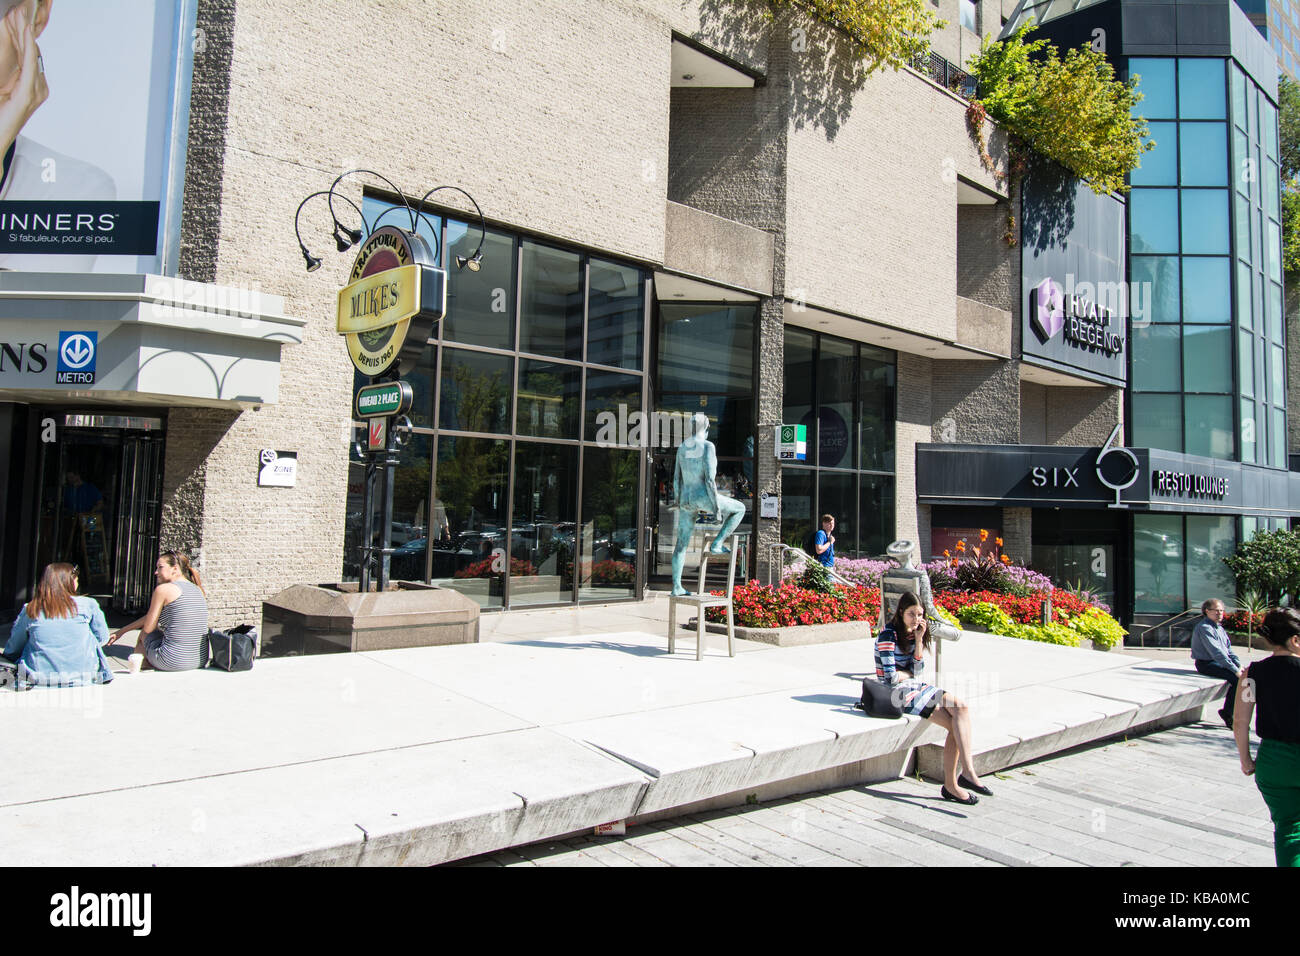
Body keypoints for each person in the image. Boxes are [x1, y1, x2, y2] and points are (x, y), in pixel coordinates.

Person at [874, 590, 991, 805]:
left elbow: (917, 670)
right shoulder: (888, 635)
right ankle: (952, 785)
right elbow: (890, 678)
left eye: (920, 615)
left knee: (961, 708)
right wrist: (908, 673)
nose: (917, 619)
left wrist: (919, 641)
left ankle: (967, 772)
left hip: (915, 686)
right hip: (897, 694)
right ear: (900, 612)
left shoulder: (913, 634)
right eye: (912, 614)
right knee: (954, 726)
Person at [1233, 608, 1300, 867]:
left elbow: (1240, 721)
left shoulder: (1252, 674)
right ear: (1294, 639)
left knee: (1287, 828)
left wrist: (1246, 760)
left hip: (1273, 761)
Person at [670, 412, 745, 595]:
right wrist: (716, 508)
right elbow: (710, 481)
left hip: (686, 499)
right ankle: (717, 543)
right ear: (707, 427)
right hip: (702, 496)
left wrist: (679, 501)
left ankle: (676, 587)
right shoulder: (708, 446)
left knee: (681, 545)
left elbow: (675, 480)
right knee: (739, 509)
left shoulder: (682, 447)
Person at [2, 562, 111, 687]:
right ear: (69, 582)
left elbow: (14, 646)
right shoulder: (88, 604)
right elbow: (102, 638)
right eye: (76, 579)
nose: (78, 582)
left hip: (38, 677)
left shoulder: (31, 608)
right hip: (84, 675)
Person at [108, 550, 208, 672]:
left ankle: (142, 668)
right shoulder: (198, 589)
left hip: (172, 661)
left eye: (160, 567)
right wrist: (121, 631)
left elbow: (148, 627)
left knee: (144, 635)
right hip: (200, 660)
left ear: (175, 569)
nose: (156, 572)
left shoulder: (164, 589)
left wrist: (122, 632)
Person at [1191, 598, 1244, 728]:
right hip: (1206, 664)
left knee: (1247, 678)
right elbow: (1217, 653)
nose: (1220, 613)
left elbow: (1228, 651)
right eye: (1216, 611)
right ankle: (1228, 713)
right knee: (1237, 680)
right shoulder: (1204, 628)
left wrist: (1238, 665)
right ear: (1207, 611)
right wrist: (1235, 670)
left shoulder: (1219, 628)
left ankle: (1239, 715)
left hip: (1220, 662)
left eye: (1222, 611)